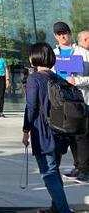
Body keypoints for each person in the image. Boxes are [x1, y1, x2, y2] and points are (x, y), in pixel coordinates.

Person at [23, 42, 73, 213]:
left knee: (48, 173)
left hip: (44, 132)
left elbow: (31, 107)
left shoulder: (34, 79)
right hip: (61, 131)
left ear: (34, 58)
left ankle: (64, 210)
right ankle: (56, 207)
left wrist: (25, 130)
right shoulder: (58, 78)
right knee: (54, 170)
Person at [53, 23, 89, 182]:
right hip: (62, 102)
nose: (62, 36)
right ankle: (78, 166)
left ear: (70, 33)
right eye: (59, 34)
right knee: (70, 136)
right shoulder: (53, 54)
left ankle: (85, 170)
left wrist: (77, 80)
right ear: (55, 36)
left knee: (82, 136)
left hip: (81, 101)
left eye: (65, 33)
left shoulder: (83, 53)